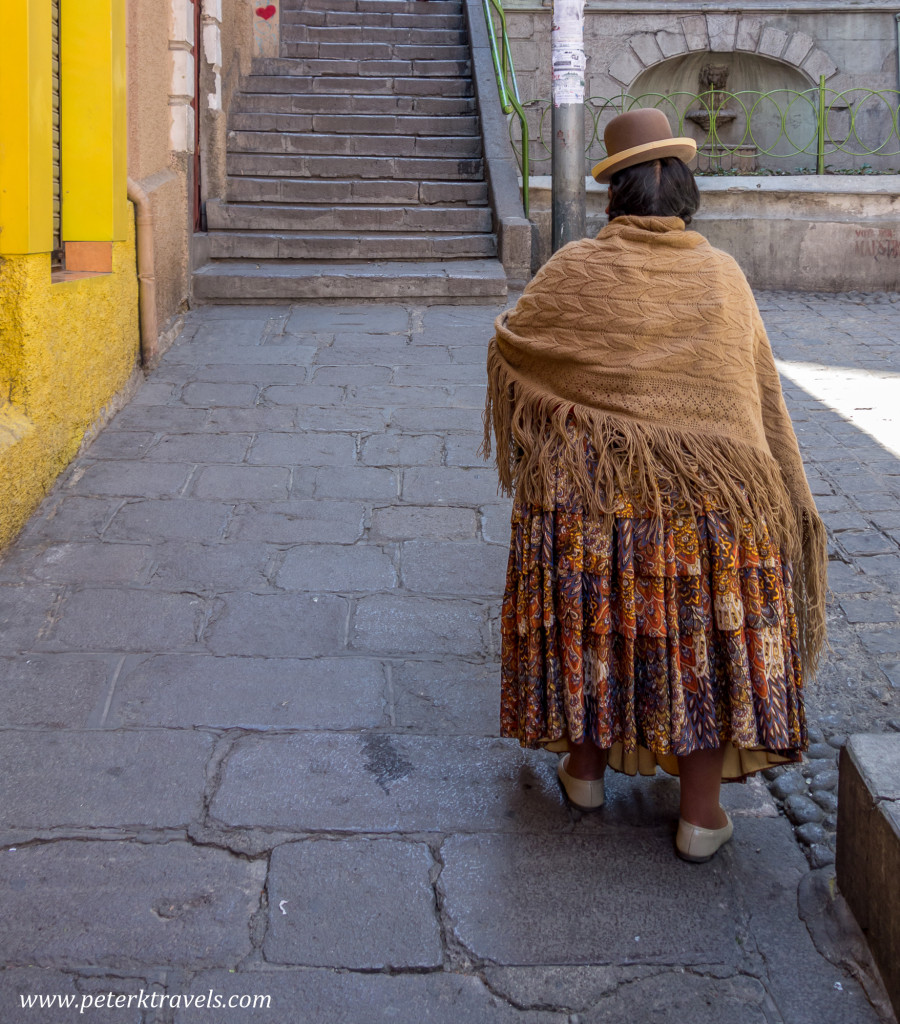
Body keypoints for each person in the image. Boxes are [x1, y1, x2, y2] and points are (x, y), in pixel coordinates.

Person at [483, 108, 827, 863]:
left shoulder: (574, 268)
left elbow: (513, 343)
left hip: (595, 503)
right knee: (699, 627)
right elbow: (753, 400)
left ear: (616, 196)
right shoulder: (722, 276)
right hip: (709, 511)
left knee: (596, 611)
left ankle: (584, 767)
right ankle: (700, 814)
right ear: (684, 195)